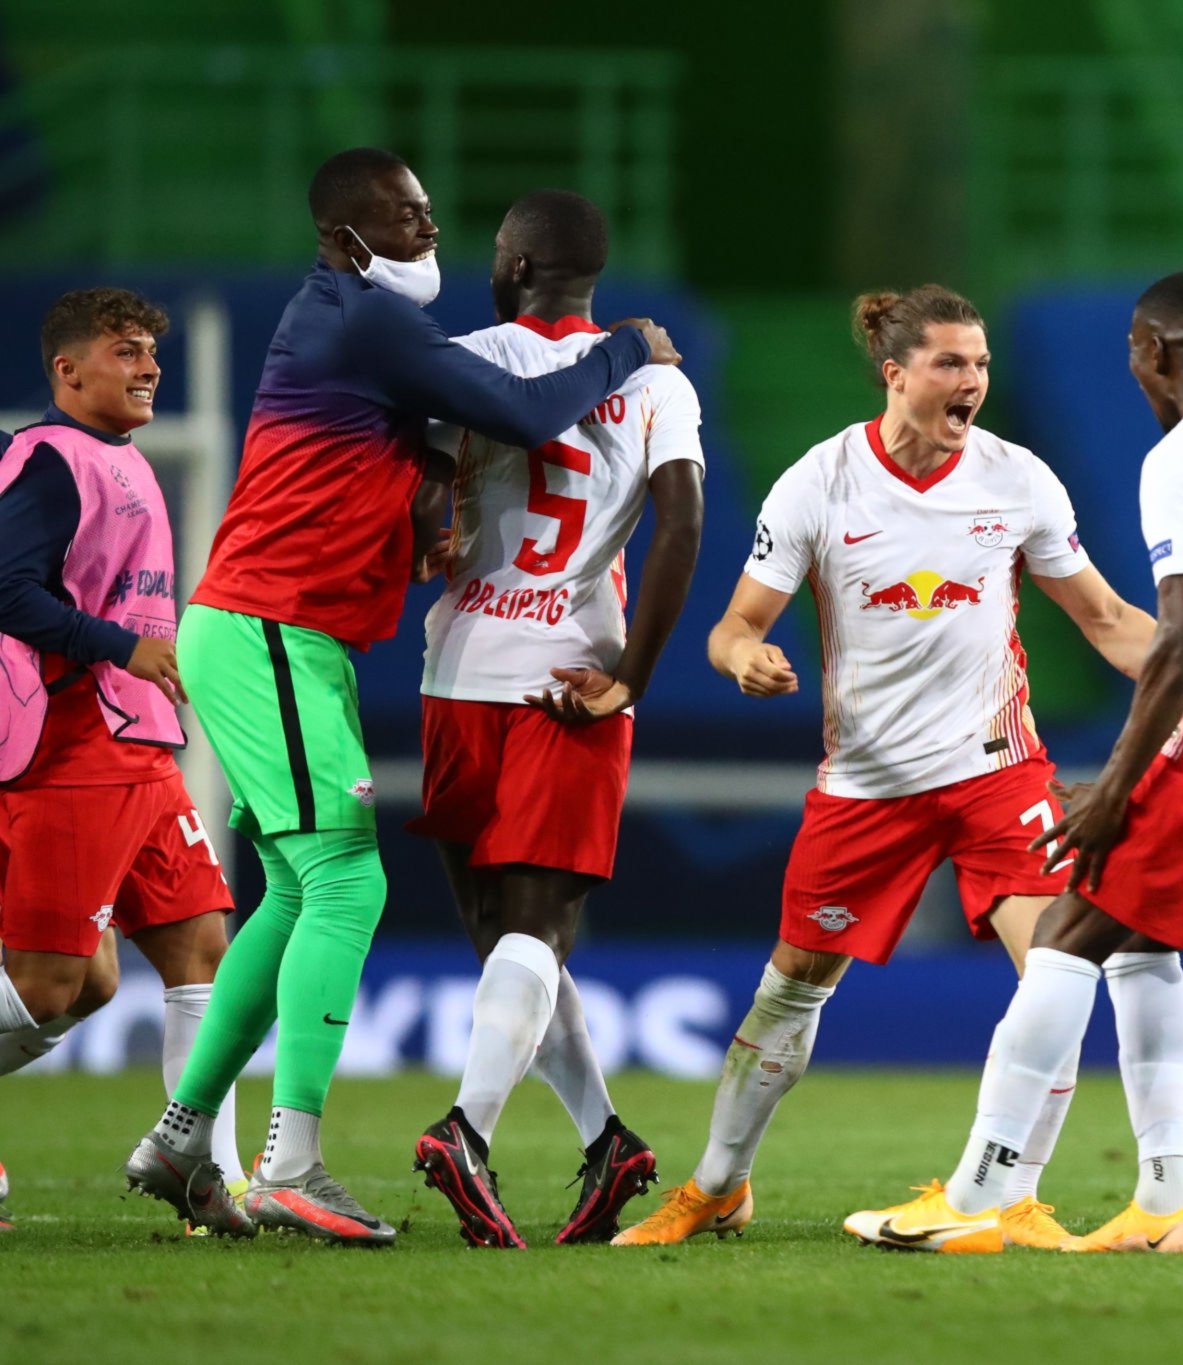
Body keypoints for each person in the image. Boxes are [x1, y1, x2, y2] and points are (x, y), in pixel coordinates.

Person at [122, 146, 678, 1245]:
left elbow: (412, 455)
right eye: (404, 218)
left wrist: (425, 522)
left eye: (428, 213)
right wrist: (629, 346)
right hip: (269, 628)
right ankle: (292, 1163)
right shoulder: (367, 320)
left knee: (292, 894)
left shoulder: (361, 326)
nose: (429, 234)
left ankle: (183, 1134)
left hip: (287, 639)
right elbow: (524, 415)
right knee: (347, 881)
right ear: (344, 239)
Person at [845, 271, 1183, 1254]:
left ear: (1151, 353)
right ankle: (1160, 1203)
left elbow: (1182, 641)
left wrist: (1120, 786)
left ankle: (973, 1200)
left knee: (1063, 934)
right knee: (1141, 946)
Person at [610, 284, 1155, 1251]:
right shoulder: (819, 482)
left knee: (1061, 971)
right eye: (950, 363)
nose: (972, 382)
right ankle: (718, 1185)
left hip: (1000, 770)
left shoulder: (1018, 477)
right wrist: (746, 658)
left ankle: (1008, 1196)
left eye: (982, 364)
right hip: (868, 784)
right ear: (896, 373)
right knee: (789, 991)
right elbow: (734, 625)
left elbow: (1108, 621)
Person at [406, 189, 705, 1248]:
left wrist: (431, 533)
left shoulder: (463, 356)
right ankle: (602, 1143)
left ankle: (470, 1134)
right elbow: (681, 524)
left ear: (516, 263)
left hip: (459, 672)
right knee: (526, 945)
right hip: (570, 680)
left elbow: (416, 490)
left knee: (510, 941)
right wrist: (630, 672)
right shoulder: (657, 379)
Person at [0, 290, 246, 1227]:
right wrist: (116, 646)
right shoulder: (51, 461)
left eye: (151, 351)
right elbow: (5, 589)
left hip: (139, 743)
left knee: (199, 949)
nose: (148, 366)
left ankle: (200, 1170)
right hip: (73, 744)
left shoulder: (126, 461)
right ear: (68, 371)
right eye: (125, 351)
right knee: (58, 984)